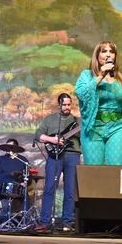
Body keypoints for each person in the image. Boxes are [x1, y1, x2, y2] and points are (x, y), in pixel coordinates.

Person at [75, 40, 122, 166]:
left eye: (111, 52)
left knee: (116, 169)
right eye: (104, 51)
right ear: (97, 55)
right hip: (94, 128)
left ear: (115, 57)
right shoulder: (87, 75)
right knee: (94, 171)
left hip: (117, 127)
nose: (108, 55)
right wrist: (100, 75)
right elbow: (81, 94)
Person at [35, 93, 81, 230]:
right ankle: (44, 221)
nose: (67, 107)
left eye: (69, 104)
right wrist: (52, 140)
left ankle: (68, 222)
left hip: (73, 155)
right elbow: (38, 135)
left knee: (70, 190)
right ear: (59, 105)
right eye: (64, 105)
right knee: (49, 187)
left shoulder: (78, 121)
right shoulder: (49, 119)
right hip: (54, 156)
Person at [0, 138, 29, 218]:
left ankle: (25, 220)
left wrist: (24, 183)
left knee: (26, 197)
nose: (8, 148)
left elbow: (28, 176)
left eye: (10, 146)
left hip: (17, 188)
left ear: (16, 148)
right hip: (1, 187)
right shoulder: (0, 158)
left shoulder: (23, 160)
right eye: (7, 146)